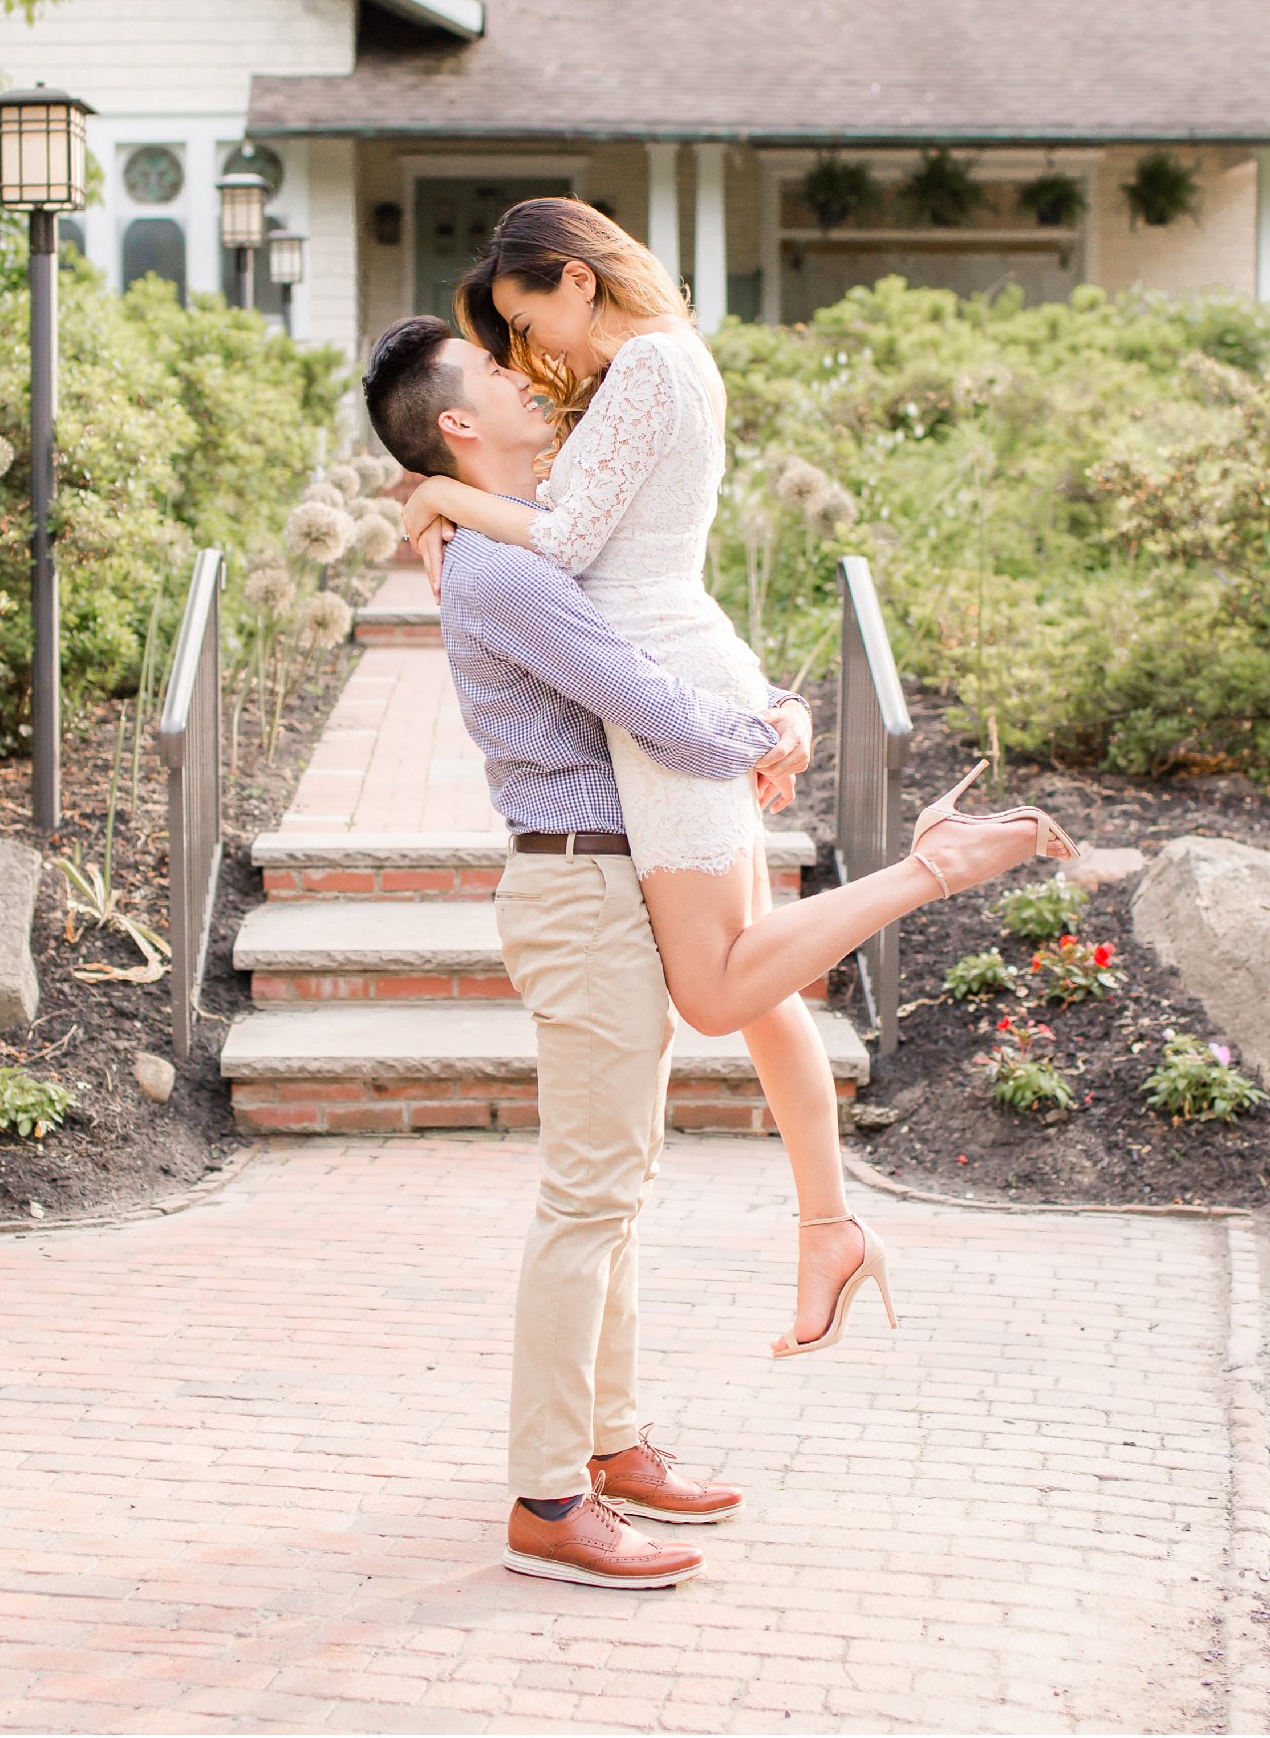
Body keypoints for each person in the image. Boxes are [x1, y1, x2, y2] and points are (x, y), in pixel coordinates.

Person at [396, 200, 1078, 1356]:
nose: (533, 354)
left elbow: (561, 547)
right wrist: (764, 700)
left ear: (575, 278)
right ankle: (829, 1228)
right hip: (675, 658)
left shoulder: (653, 363)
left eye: (529, 320)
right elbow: (625, 551)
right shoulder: (649, 369)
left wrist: (435, 496)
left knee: (714, 993)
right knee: (758, 1002)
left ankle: (931, 864)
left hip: (662, 689)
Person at [364, 314, 818, 1590]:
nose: (524, 378)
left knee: (617, 1184)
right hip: (581, 886)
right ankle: (549, 1497)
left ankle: (610, 1445)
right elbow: (647, 704)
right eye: (497, 374)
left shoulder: (504, 535)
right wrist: (770, 729)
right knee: (587, 1198)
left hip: (607, 881)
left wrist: (429, 499)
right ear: (457, 422)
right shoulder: (503, 574)